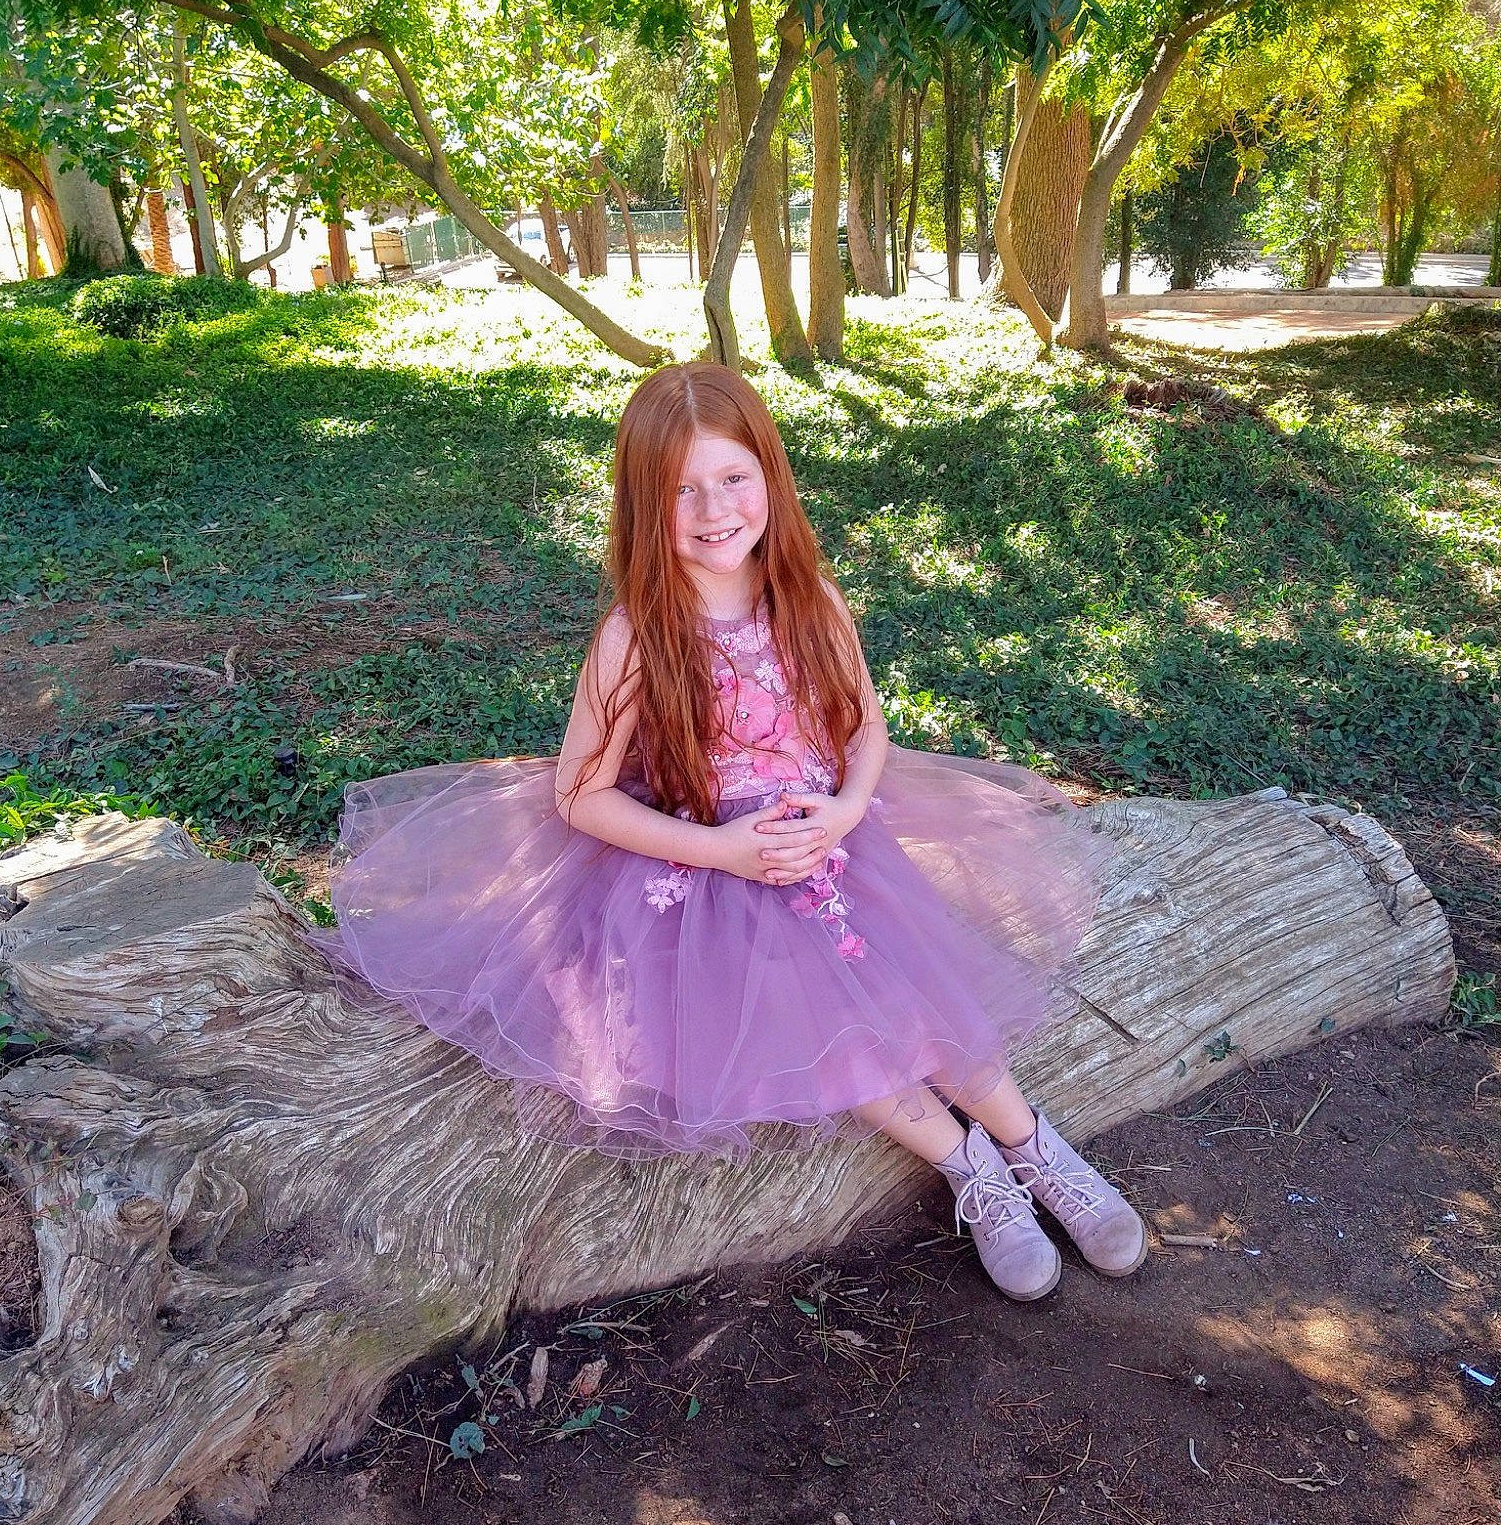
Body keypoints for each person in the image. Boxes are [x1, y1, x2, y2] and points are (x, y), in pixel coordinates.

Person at [324, 363, 1146, 1302]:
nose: (712, 509)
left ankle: (1038, 1148)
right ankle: (970, 1165)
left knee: (922, 991)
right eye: (680, 488)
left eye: (732, 477)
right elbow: (579, 795)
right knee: (834, 1024)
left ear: (771, 478)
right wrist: (729, 852)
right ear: (642, 504)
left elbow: (867, 729)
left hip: (833, 846)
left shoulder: (809, 600)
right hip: (708, 873)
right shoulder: (636, 635)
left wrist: (841, 811)